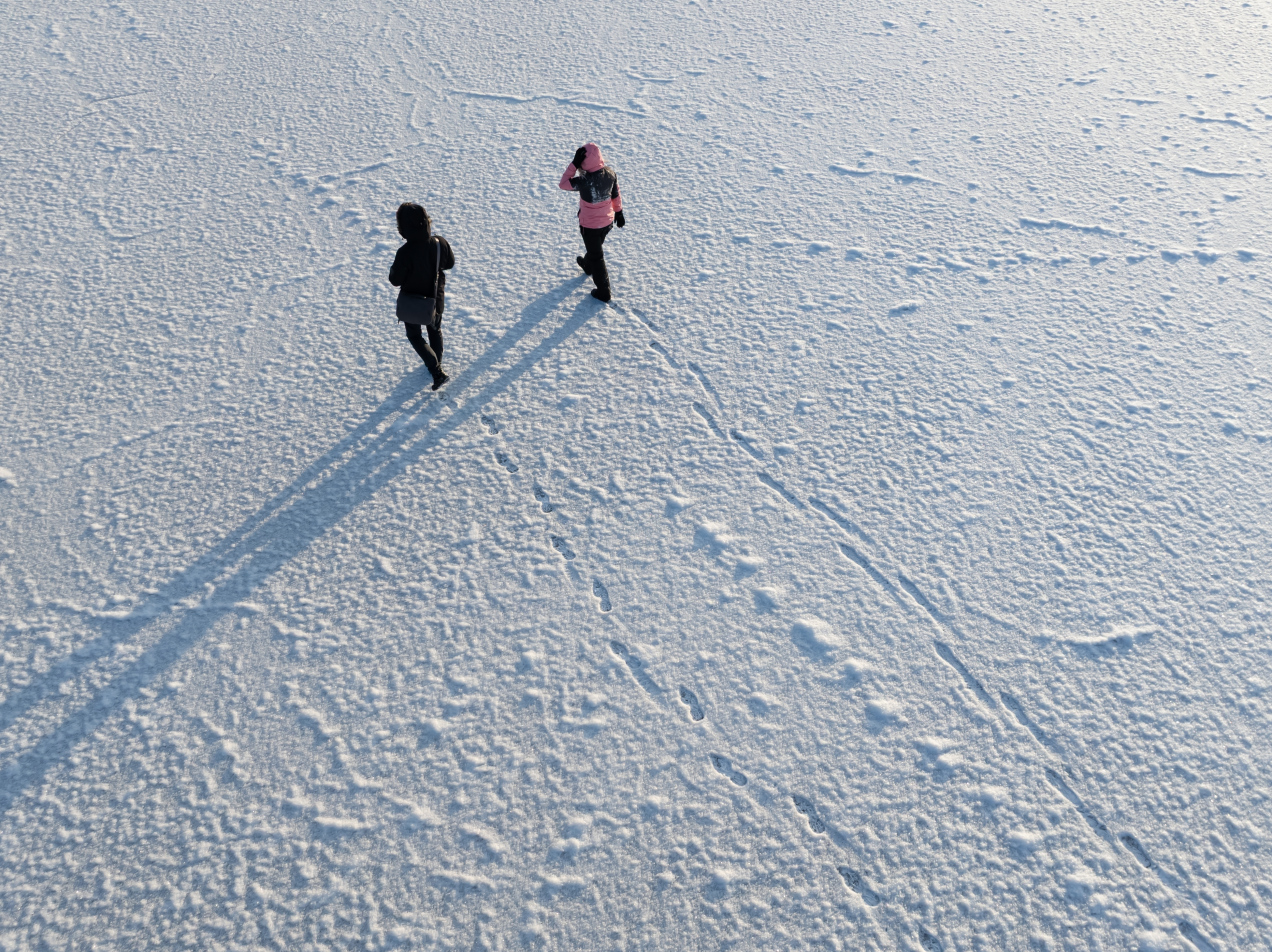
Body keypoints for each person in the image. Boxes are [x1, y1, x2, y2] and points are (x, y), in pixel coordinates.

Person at [389, 202, 454, 390]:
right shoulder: (439, 243)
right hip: (435, 297)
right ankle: (436, 362)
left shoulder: (404, 252)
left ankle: (436, 371)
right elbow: (449, 264)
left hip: (412, 302)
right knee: (435, 329)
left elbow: (395, 280)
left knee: (414, 335)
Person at [559, 143, 625, 302]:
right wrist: (619, 212)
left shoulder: (584, 180)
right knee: (595, 249)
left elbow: (563, 184)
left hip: (589, 226)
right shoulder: (610, 173)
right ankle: (588, 266)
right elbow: (615, 194)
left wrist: (574, 164)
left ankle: (604, 292)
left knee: (597, 256)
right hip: (607, 222)